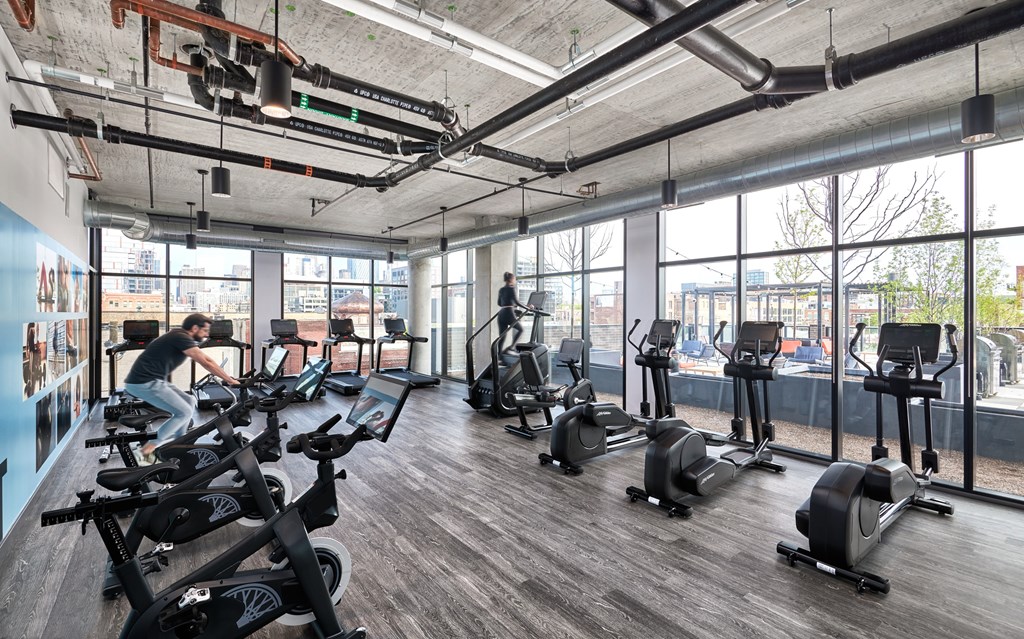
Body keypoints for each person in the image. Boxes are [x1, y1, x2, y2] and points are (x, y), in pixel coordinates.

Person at [124, 313, 239, 463]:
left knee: (190, 401)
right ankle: (146, 452)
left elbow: (206, 359)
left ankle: (180, 444)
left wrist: (229, 378)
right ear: (195, 328)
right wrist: (229, 380)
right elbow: (206, 362)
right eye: (204, 331)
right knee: (184, 413)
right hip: (144, 383)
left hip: (154, 381)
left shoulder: (180, 335)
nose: (206, 335)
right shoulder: (180, 337)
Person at [497, 272, 533, 354]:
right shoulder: (511, 288)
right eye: (514, 279)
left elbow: (499, 303)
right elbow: (517, 302)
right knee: (521, 330)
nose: (515, 280)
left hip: (501, 313)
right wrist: (528, 308)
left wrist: (511, 306)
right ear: (511, 279)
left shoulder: (501, 290)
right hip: (508, 313)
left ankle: (499, 356)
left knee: (502, 336)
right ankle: (511, 347)